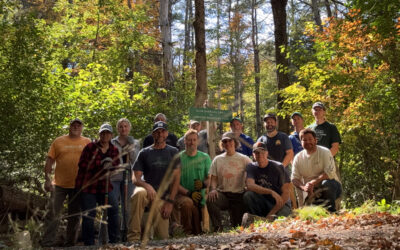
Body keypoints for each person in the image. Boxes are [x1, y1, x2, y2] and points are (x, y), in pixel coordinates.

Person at [127, 121, 180, 242]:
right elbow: (135, 178)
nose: (160, 134)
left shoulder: (173, 152)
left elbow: (176, 179)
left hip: (162, 198)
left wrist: (170, 202)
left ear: (166, 134)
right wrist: (147, 186)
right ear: (153, 134)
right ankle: (133, 237)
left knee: (162, 238)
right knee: (138, 193)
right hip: (147, 194)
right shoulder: (144, 152)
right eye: (157, 132)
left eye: (162, 131)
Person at [41, 118, 91, 247]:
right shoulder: (58, 141)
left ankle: (70, 244)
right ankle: (47, 243)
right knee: (52, 213)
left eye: (78, 125)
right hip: (58, 185)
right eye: (73, 125)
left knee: (74, 216)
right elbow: (49, 161)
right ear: (69, 127)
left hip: (79, 185)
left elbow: (93, 162)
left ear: (82, 128)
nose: (75, 127)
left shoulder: (87, 142)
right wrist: (47, 179)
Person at [75, 123, 120, 245]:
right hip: (89, 186)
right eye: (103, 133)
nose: (105, 135)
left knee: (114, 210)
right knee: (89, 215)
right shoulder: (90, 147)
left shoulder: (114, 149)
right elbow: (82, 164)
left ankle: (113, 241)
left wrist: (111, 168)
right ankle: (89, 244)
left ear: (111, 135)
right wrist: (100, 164)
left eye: (107, 133)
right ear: (99, 134)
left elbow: (117, 165)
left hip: (105, 186)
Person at [207, 132, 252, 232]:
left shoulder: (244, 159)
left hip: (239, 195)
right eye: (225, 141)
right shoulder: (217, 159)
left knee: (237, 227)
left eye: (230, 140)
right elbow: (213, 178)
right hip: (223, 195)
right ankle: (217, 227)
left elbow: (253, 172)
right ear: (222, 144)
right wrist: (213, 189)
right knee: (211, 199)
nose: (227, 143)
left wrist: (249, 184)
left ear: (235, 142)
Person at [291, 128, 342, 212]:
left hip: (332, 186)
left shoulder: (325, 152)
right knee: (312, 214)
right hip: (310, 192)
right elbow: (294, 179)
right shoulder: (298, 158)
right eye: (304, 140)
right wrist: (304, 187)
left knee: (327, 183)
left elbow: (329, 173)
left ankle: (331, 213)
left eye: (310, 139)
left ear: (315, 140)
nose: (308, 142)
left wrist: (312, 182)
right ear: (301, 142)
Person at [242, 142, 291, 226]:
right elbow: (250, 185)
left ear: (267, 153)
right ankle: (258, 221)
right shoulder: (251, 167)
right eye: (256, 152)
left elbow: (286, 193)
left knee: (279, 223)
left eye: (262, 152)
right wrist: (271, 192)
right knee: (248, 195)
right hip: (263, 202)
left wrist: (272, 213)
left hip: (280, 204)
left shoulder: (278, 167)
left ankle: (268, 220)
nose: (259, 154)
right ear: (253, 154)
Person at [173, 129, 211, 235]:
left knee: (200, 229)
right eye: (189, 140)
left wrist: (203, 184)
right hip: (182, 194)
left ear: (198, 141)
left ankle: (202, 232)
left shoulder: (205, 157)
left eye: (194, 140)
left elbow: (209, 178)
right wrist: (189, 193)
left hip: (200, 196)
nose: (192, 143)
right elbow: (174, 183)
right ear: (184, 141)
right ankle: (187, 233)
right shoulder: (178, 158)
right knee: (187, 203)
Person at [108, 118, 140, 242]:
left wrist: (130, 146)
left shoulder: (135, 142)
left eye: (126, 126)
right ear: (117, 129)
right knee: (114, 205)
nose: (123, 129)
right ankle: (112, 236)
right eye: (121, 126)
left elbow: (135, 160)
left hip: (129, 177)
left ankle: (128, 234)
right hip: (115, 177)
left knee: (128, 207)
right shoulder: (112, 142)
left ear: (129, 128)